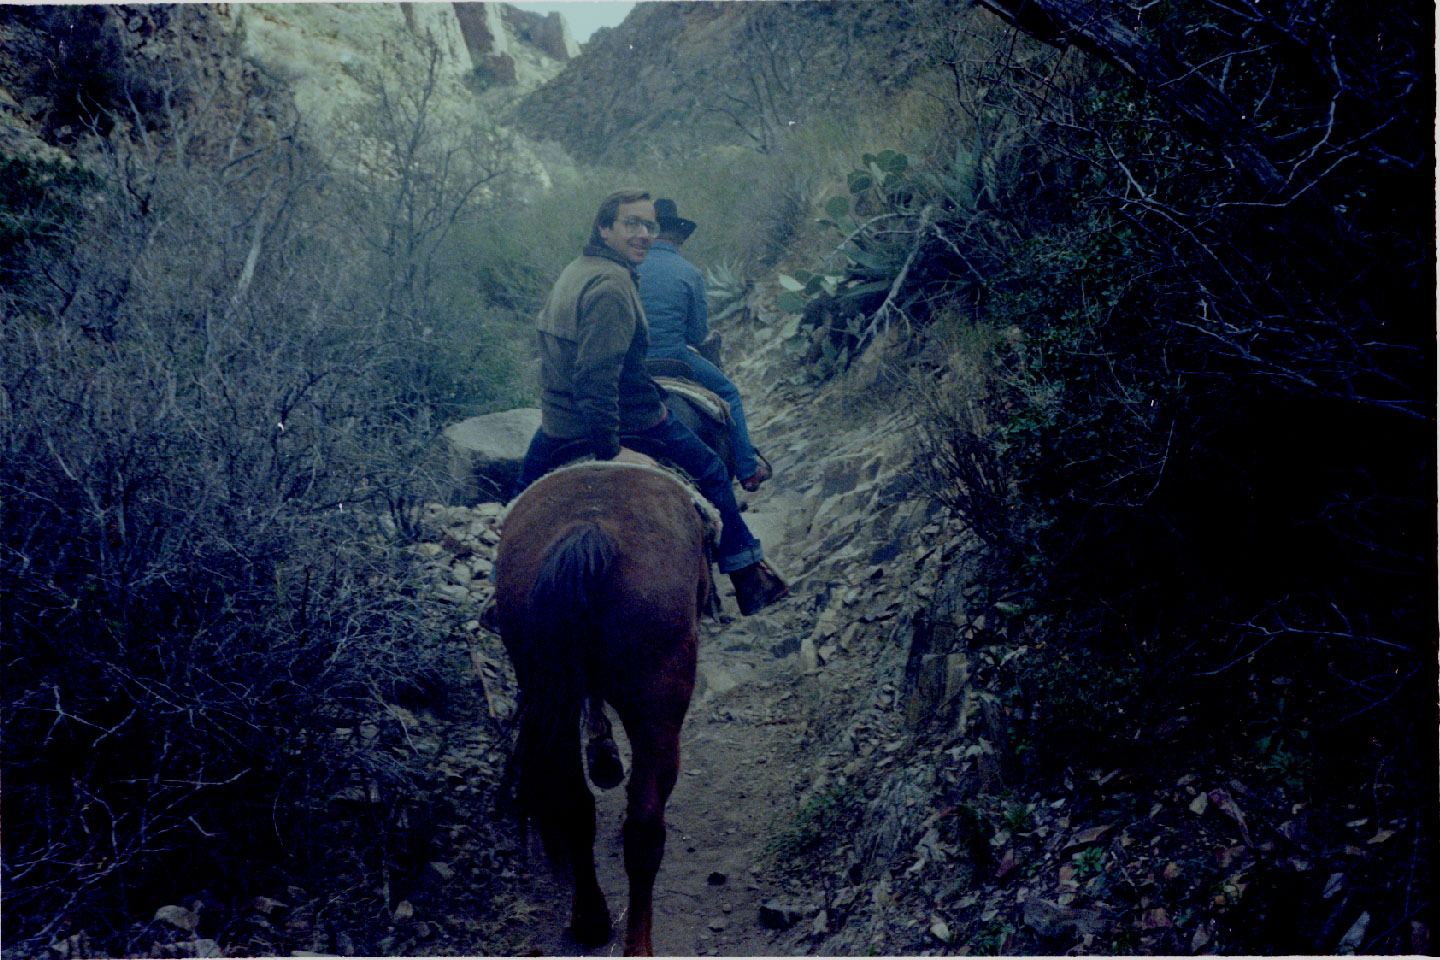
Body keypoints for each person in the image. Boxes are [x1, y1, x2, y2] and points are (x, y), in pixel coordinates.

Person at [515, 189, 788, 616]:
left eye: (648, 225)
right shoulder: (613, 284)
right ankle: (746, 574)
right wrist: (611, 448)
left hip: (557, 423)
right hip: (630, 418)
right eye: (631, 224)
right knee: (714, 471)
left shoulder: (576, 269)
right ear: (604, 229)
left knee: (520, 504)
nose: (642, 233)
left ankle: (506, 595)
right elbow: (597, 375)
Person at [638, 198, 772, 491]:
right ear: (679, 236)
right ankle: (748, 469)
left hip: (634, 363)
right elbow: (698, 335)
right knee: (729, 394)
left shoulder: (627, 268)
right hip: (676, 358)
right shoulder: (689, 272)